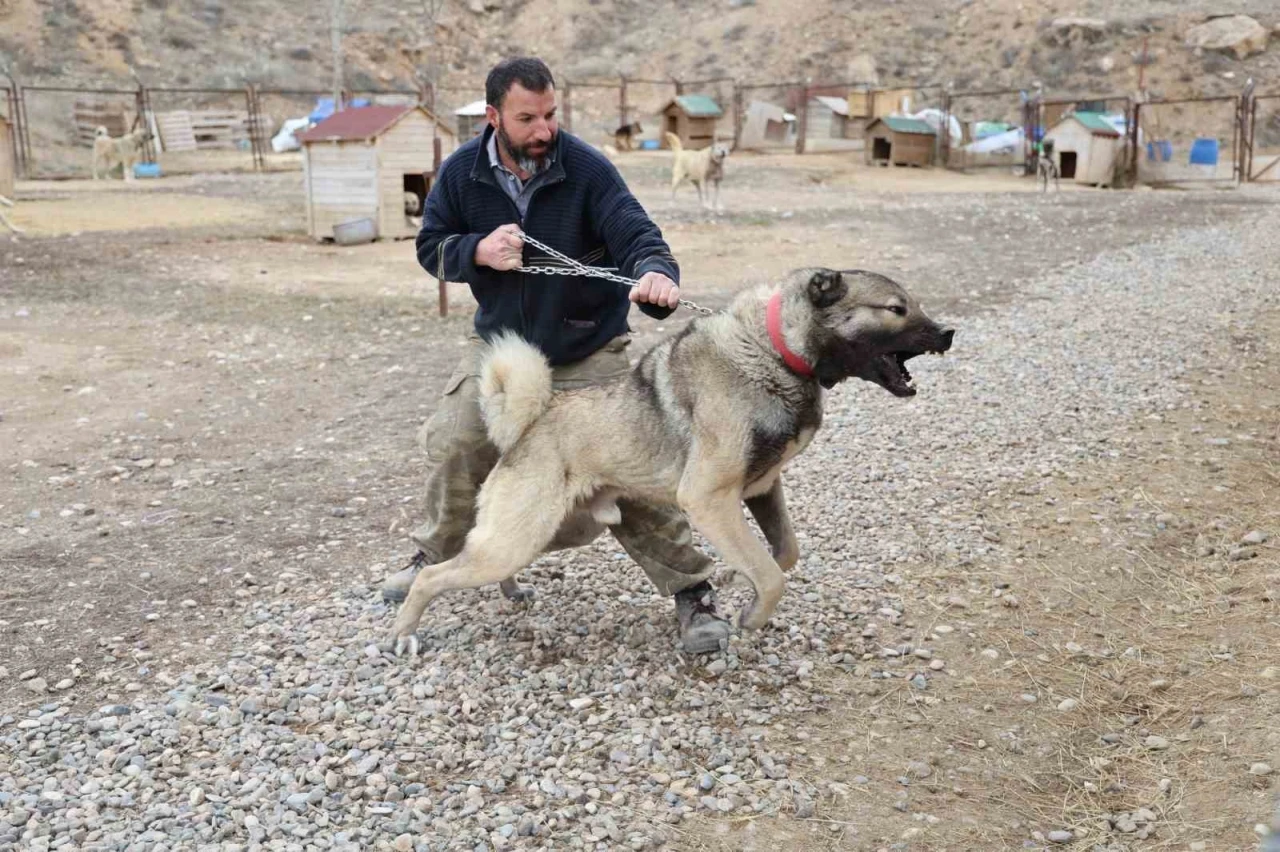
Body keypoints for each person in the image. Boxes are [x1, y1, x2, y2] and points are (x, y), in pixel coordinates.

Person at [381, 57, 732, 653]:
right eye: (527, 118)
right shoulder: (462, 173)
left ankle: (692, 592)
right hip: (502, 346)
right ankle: (434, 557)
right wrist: (476, 252)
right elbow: (430, 248)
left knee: (633, 463)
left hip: (586, 348)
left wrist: (654, 273)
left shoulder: (588, 169)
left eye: (550, 114)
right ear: (493, 117)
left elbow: (636, 234)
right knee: (462, 439)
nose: (543, 129)